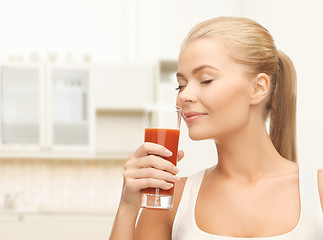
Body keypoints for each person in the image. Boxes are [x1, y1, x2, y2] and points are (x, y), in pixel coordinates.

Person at [109, 16, 323, 239]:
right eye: (181, 85)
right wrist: (127, 206)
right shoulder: (170, 199)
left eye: (206, 80)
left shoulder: (318, 194)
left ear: (258, 88)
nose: (184, 95)